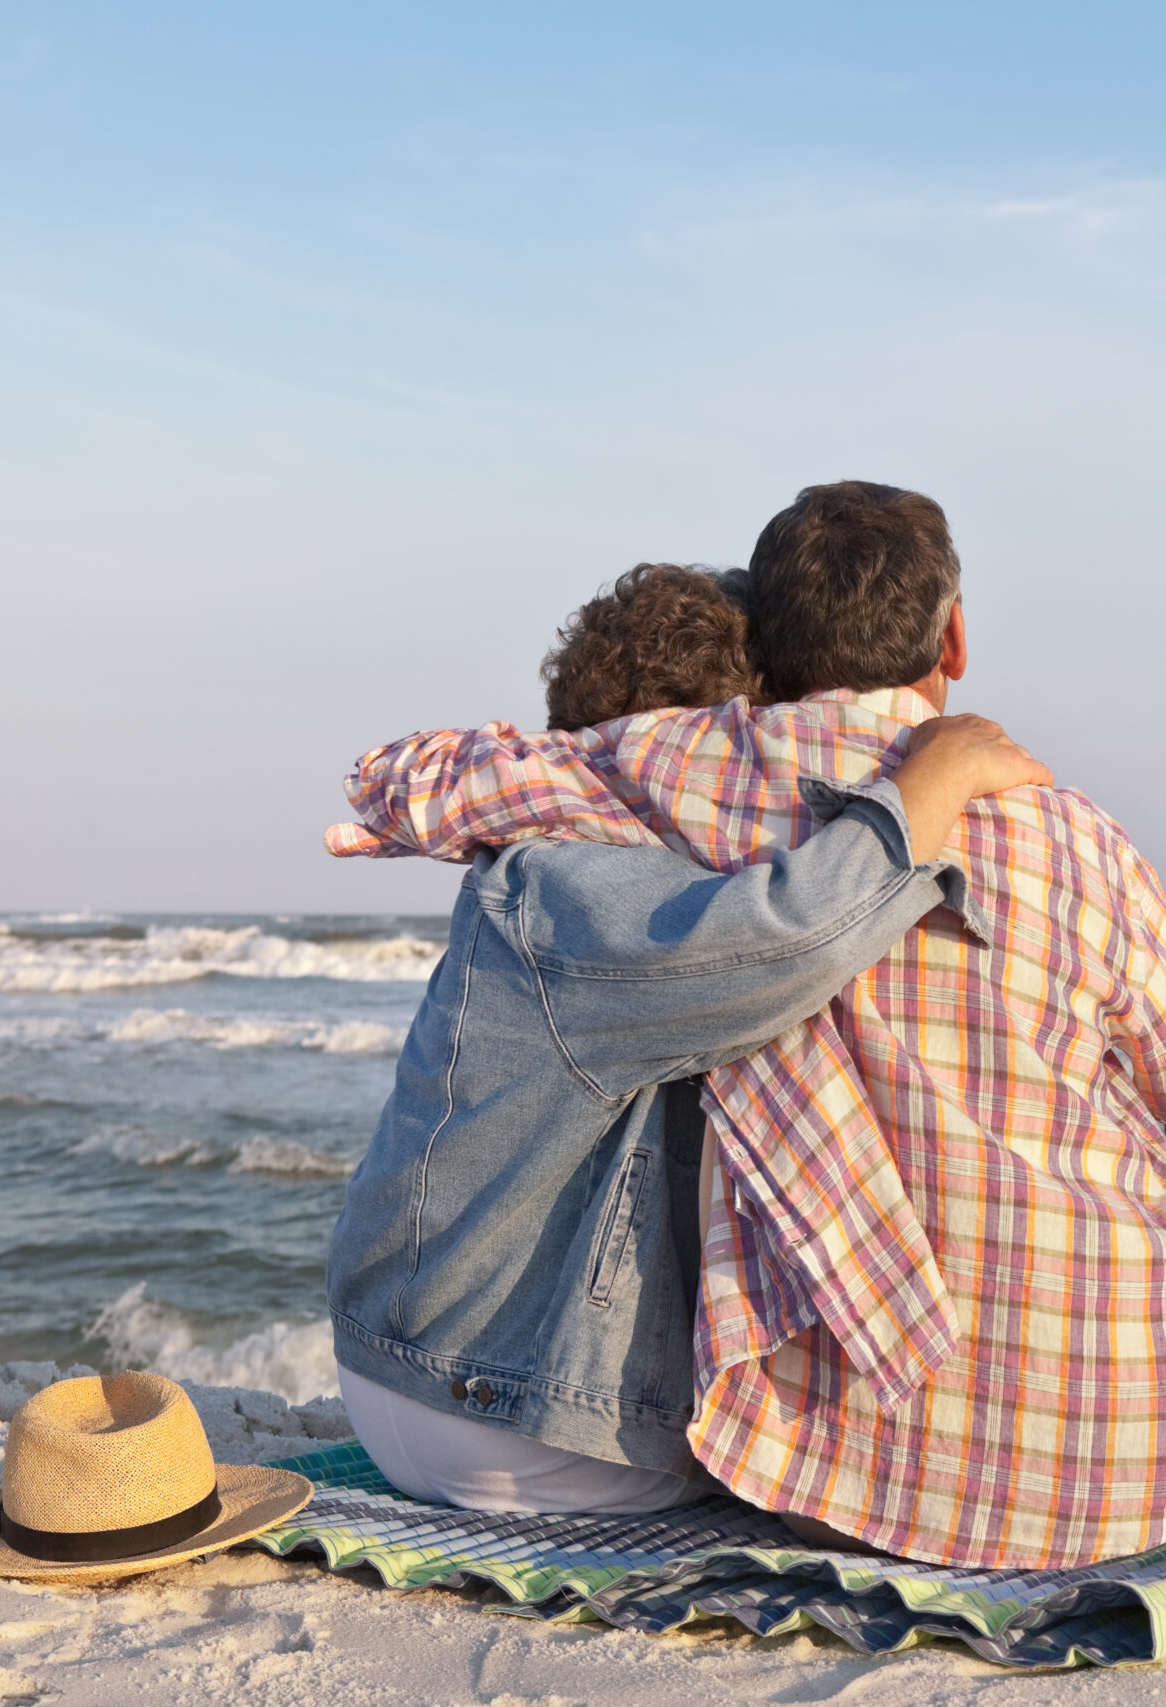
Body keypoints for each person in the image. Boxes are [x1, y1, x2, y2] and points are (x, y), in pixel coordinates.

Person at [332, 482, 1166, 1567]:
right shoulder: (1046, 838)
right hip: (557, 1424)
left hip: (725, 1449)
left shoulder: (679, 796)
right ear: (955, 637)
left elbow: (431, 770)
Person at [325, 560, 1050, 1513]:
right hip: (488, 1405)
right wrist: (925, 788)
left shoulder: (569, 865)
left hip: (424, 1368)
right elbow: (788, 933)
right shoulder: (570, 886)